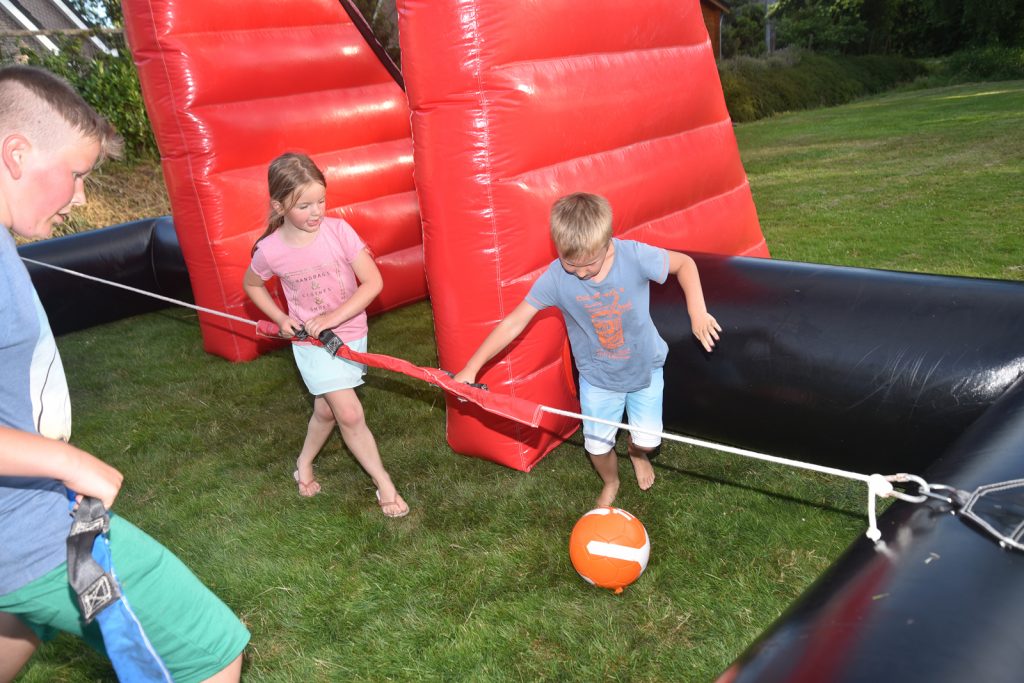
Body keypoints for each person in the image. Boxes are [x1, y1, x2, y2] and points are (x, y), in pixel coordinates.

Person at [0, 64, 248, 683]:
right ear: (15, 153)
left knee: (18, 626)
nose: (82, 196)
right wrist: (69, 463)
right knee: (210, 651)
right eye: (78, 174)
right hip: (25, 531)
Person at [454, 192, 721, 508]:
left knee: (647, 441)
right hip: (597, 377)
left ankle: (636, 454)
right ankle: (611, 481)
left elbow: (684, 265)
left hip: (644, 369)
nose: (580, 273)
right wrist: (472, 367)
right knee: (596, 447)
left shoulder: (633, 256)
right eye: (570, 263)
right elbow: (514, 322)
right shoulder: (556, 277)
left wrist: (698, 312)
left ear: (608, 244)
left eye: (588, 265)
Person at [243, 152, 408, 517]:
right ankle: (384, 483)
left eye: (321, 200)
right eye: (305, 206)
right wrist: (280, 317)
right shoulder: (270, 250)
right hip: (312, 343)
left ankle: (303, 463)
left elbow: (373, 282)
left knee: (327, 411)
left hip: (350, 332)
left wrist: (334, 316)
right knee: (348, 413)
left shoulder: (339, 232)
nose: (316, 212)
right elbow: (252, 285)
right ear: (279, 206)